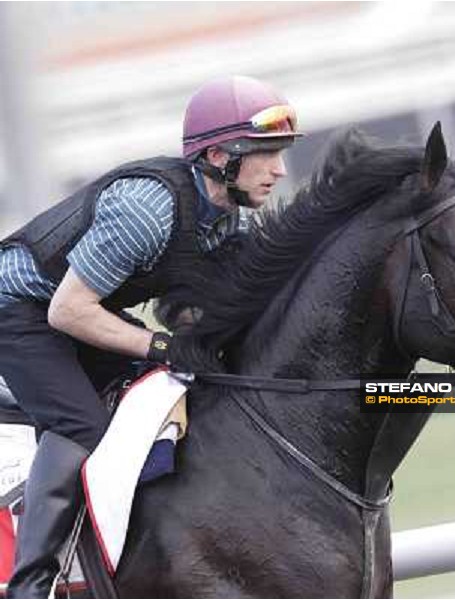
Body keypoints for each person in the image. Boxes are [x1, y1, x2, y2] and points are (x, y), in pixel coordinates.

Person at [0, 74, 302, 598]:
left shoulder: (226, 220)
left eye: (280, 154)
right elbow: (68, 312)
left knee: (162, 391)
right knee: (82, 426)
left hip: (66, 308)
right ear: (217, 157)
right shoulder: (148, 210)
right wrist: (160, 345)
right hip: (21, 311)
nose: (278, 170)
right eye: (263, 154)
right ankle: (32, 585)